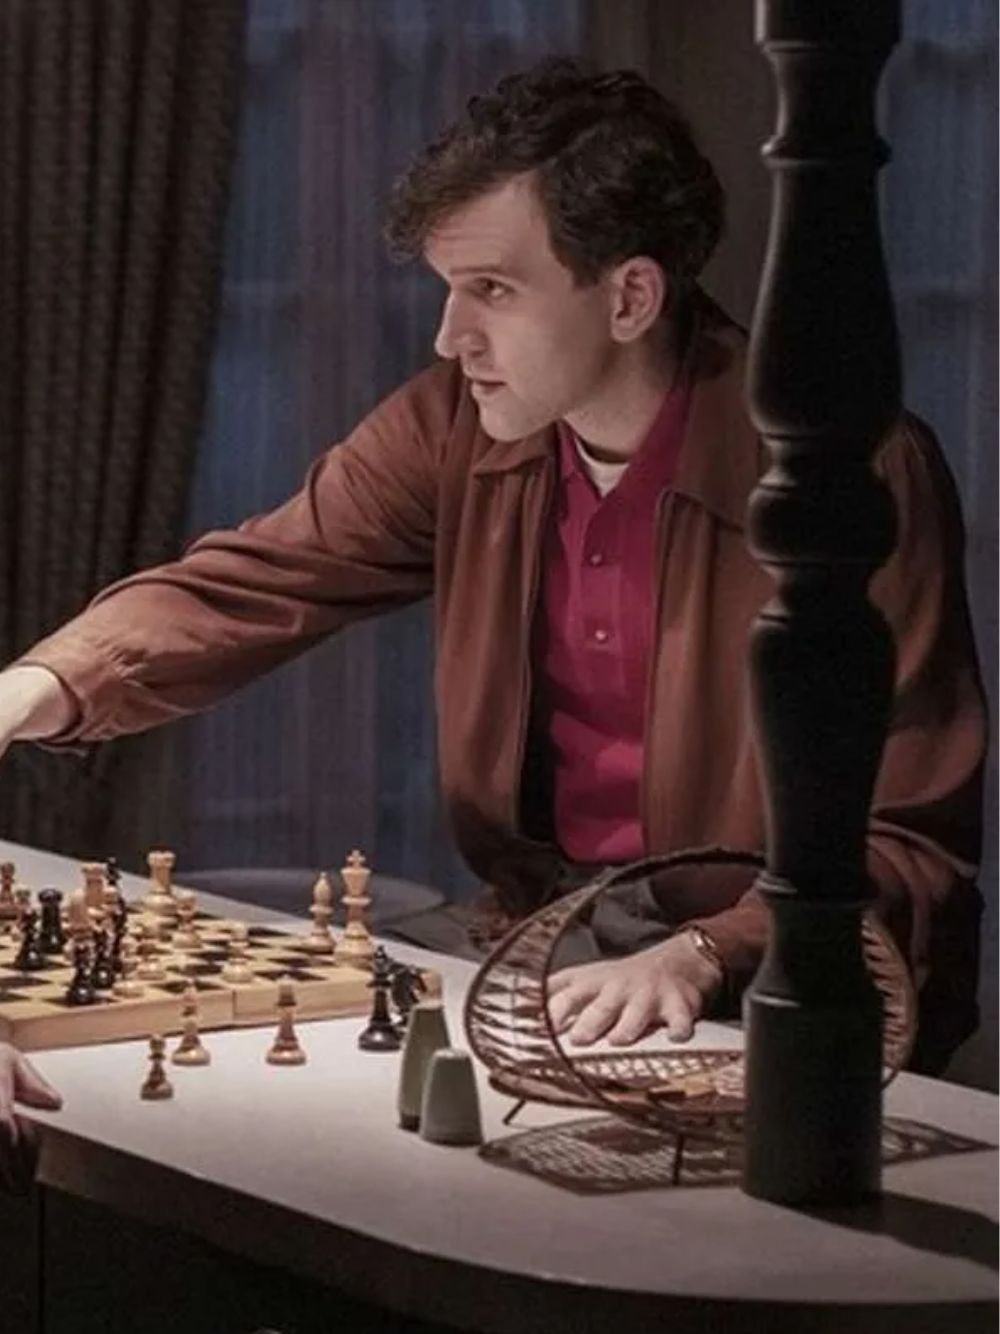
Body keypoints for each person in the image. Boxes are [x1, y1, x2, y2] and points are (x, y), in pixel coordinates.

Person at [0, 58, 986, 1146]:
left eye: (493, 291)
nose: (448, 337)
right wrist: (30, 689)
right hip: (545, 949)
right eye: (447, 289)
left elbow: (908, 842)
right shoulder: (453, 426)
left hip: (783, 984)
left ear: (630, 296)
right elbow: (254, 579)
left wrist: (710, 949)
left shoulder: (847, 471)